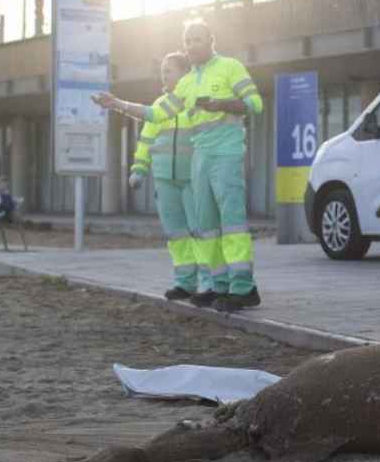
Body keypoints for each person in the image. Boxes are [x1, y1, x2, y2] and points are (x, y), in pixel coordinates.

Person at [93, 20, 263, 312]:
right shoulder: (186, 83)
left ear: (211, 39)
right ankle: (218, 287)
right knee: (207, 225)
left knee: (231, 220)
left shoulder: (230, 67)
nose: (192, 45)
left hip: (226, 151)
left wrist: (221, 103)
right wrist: (117, 103)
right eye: (188, 41)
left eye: (198, 39)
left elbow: (255, 103)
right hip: (201, 155)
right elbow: (156, 113)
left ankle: (244, 287)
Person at [128, 51, 210, 302]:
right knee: (176, 234)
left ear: (185, 73)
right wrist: (138, 169)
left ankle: (208, 283)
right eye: (162, 70)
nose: (164, 74)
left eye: (169, 69)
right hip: (165, 180)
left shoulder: (196, 103)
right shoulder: (158, 106)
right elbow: (146, 141)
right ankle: (184, 282)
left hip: (192, 179)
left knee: (199, 231)